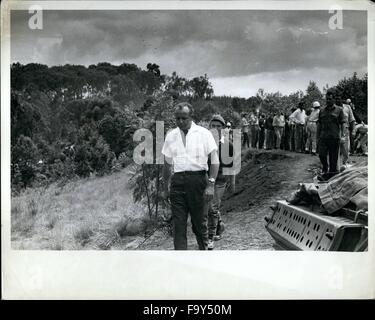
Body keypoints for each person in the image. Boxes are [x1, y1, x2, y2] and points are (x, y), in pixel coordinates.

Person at [161, 102, 220, 250]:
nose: (180, 121)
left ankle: (204, 255)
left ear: (191, 117)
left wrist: (211, 184)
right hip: (178, 183)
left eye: (184, 118)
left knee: (199, 225)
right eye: (177, 118)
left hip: (198, 182)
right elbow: (167, 164)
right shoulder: (171, 136)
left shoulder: (204, 134)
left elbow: (215, 161)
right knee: (179, 226)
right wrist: (165, 187)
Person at [207, 115, 236, 250]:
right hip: (206, 179)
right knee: (210, 206)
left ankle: (210, 237)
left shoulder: (228, 145)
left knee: (212, 207)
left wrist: (232, 183)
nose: (216, 129)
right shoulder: (205, 143)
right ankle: (220, 225)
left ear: (223, 128)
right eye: (213, 126)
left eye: (219, 126)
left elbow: (232, 166)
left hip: (220, 180)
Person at [317, 89, 346, 179]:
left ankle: (331, 176)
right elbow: (319, 124)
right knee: (322, 155)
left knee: (333, 160)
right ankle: (325, 168)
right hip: (323, 137)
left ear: (334, 99)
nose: (328, 101)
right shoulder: (322, 111)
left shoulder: (339, 110)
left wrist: (343, 136)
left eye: (330, 99)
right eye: (327, 99)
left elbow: (343, 123)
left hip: (334, 138)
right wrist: (317, 137)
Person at [340, 98, 356, 165]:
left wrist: (353, 130)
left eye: (339, 98)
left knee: (346, 149)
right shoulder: (332, 108)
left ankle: (345, 162)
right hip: (335, 130)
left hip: (345, 130)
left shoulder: (347, 107)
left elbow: (352, 120)